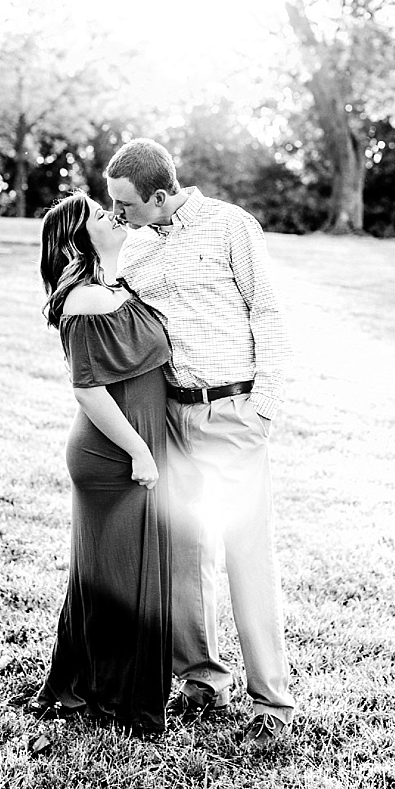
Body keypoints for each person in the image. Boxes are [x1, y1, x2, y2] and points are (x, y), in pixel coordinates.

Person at [104, 137, 296, 751]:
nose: (118, 215)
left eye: (126, 204)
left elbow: (268, 313)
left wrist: (264, 406)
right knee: (185, 554)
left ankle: (271, 699)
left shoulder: (230, 228)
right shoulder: (133, 245)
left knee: (246, 553)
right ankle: (203, 680)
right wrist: (111, 258)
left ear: (161, 195)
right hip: (174, 418)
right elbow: (107, 310)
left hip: (234, 411)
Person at [28, 191, 174, 736]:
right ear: (77, 238)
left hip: (135, 445)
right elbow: (88, 391)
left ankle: (92, 684)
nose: (111, 216)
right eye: (98, 215)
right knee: (122, 576)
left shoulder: (110, 287)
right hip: (112, 452)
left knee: (115, 572)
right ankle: (113, 696)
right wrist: (138, 451)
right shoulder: (85, 299)